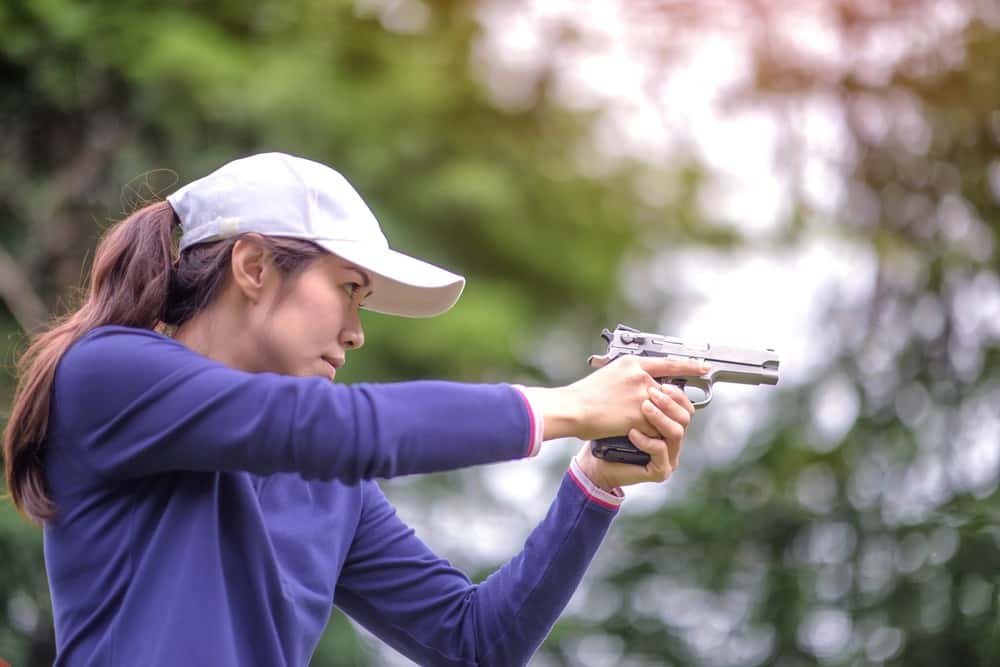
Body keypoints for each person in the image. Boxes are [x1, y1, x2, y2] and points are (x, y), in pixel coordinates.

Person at [2, 152, 706, 666]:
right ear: (252, 266)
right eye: (347, 287)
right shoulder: (108, 374)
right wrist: (570, 407)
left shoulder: (324, 482)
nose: (356, 330)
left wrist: (596, 479)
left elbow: (476, 643)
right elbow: (335, 429)